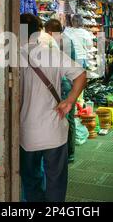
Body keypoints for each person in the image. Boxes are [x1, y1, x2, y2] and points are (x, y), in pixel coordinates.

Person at [19, 14, 86, 202]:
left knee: (31, 181)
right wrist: (70, 101)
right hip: (53, 130)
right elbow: (81, 75)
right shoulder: (51, 53)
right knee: (56, 182)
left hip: (26, 133)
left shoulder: (13, 56)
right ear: (39, 31)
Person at [43, 19, 77, 163]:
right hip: (70, 82)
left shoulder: (52, 44)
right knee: (69, 117)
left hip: (61, 84)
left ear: (49, 31)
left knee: (62, 117)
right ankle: (70, 152)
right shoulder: (68, 40)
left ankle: (64, 153)